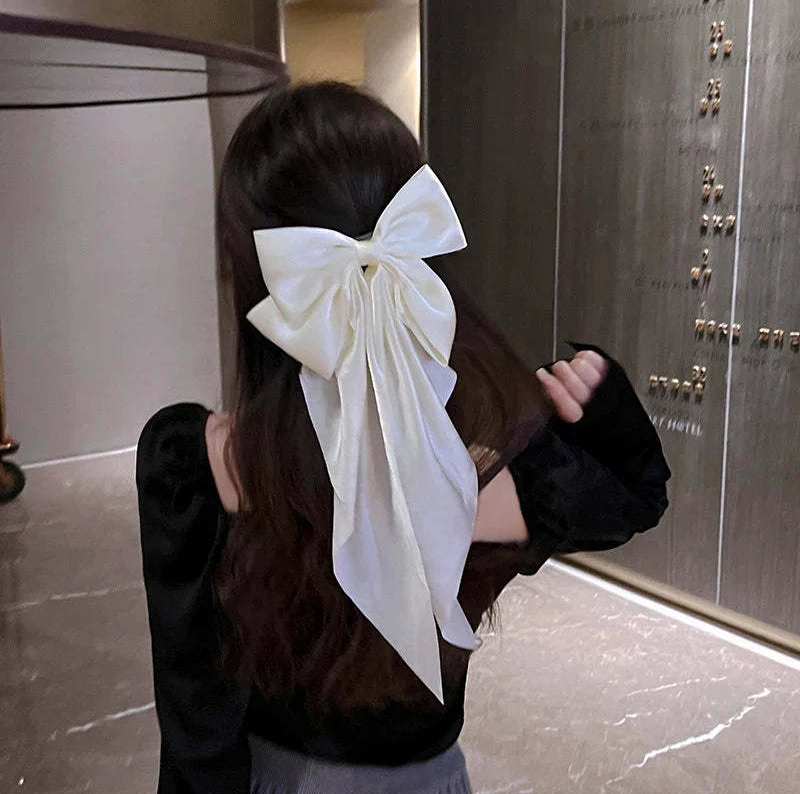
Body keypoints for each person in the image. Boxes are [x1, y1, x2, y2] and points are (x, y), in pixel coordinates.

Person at [136, 81, 670, 794]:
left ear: (253, 272)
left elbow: (195, 716)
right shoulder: (490, 464)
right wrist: (603, 407)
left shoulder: (203, 462)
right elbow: (635, 497)